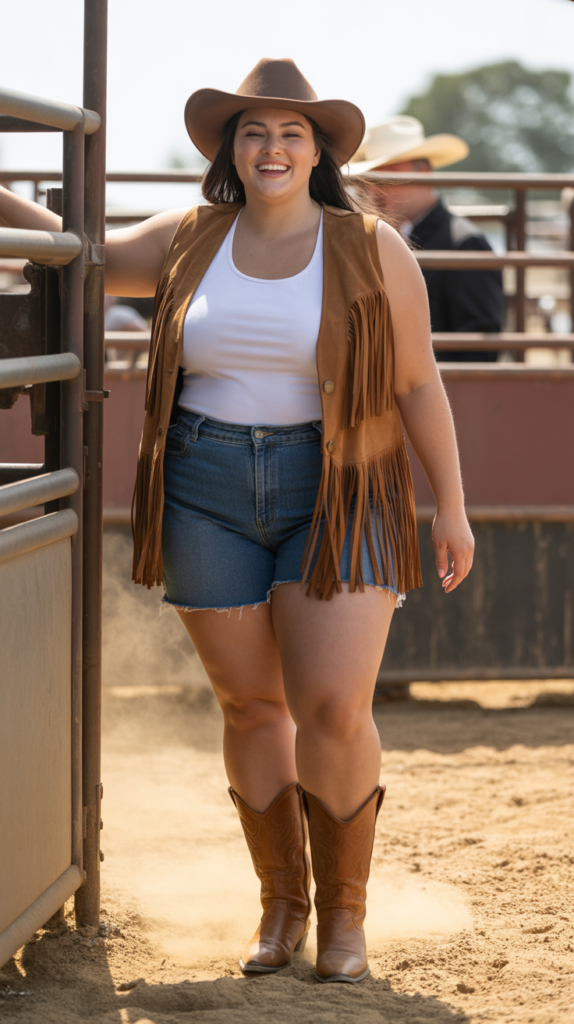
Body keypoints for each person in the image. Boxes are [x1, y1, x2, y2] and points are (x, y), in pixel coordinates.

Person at [0, 59, 474, 984]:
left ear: (320, 151)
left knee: (331, 706)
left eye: (292, 133)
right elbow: (80, 249)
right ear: (230, 148)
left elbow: (419, 380)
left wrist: (451, 505)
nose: (272, 146)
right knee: (251, 706)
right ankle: (280, 907)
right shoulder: (189, 236)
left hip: (339, 485)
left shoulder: (373, 245)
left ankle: (344, 918)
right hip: (203, 481)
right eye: (255, 130)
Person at [349, 116, 505, 361]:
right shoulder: (380, 239)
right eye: (370, 179)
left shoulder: (464, 244)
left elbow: (479, 349)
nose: (374, 189)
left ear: (424, 172)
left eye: (388, 175)